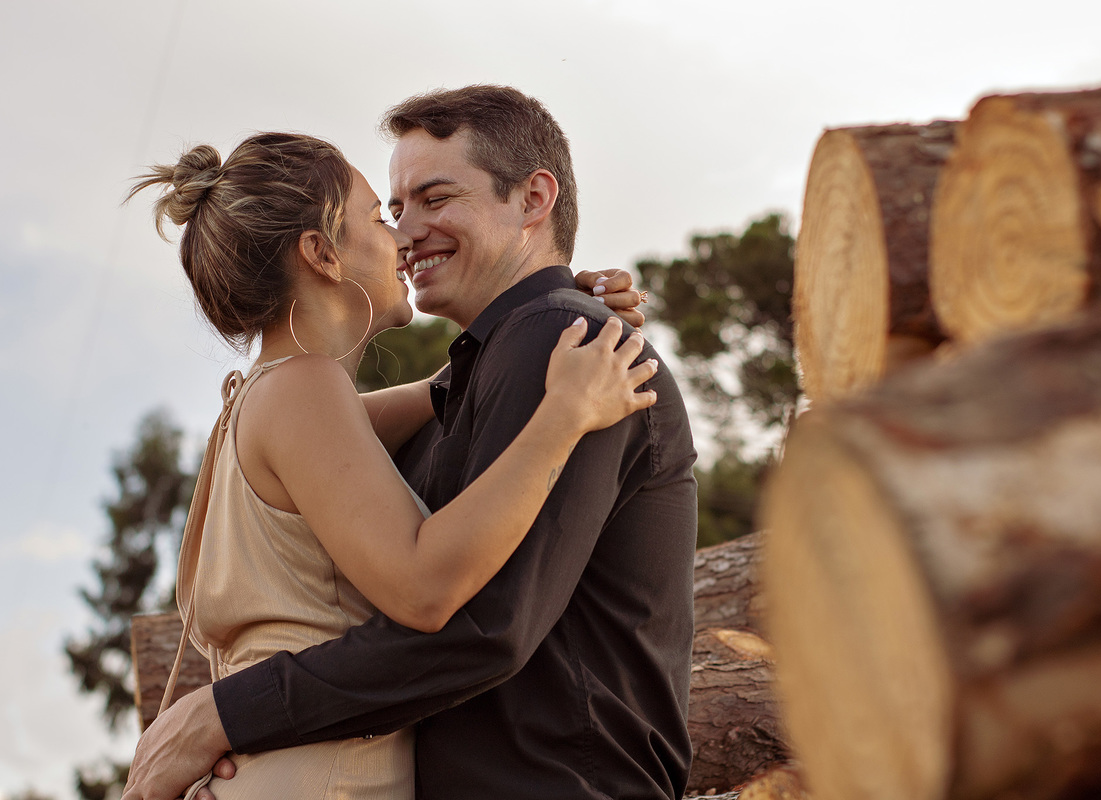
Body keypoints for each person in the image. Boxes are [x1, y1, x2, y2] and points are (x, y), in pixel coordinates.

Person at [125, 86, 698, 800]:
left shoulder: (563, 347)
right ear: (321, 256)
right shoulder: (319, 396)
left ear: (532, 200)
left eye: (434, 198)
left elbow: (483, 625)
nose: (404, 233)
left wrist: (556, 303)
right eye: (388, 211)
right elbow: (434, 583)